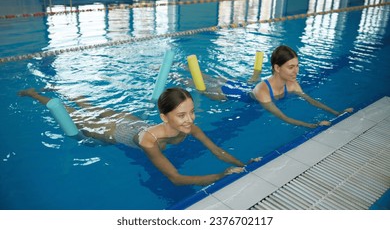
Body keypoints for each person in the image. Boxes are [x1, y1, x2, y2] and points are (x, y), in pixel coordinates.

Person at [19, 87, 257, 186]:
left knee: (92, 107)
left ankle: (69, 91)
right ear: (165, 117)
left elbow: (217, 150)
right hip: (116, 132)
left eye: (192, 112)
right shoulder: (149, 142)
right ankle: (37, 95)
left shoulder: (189, 128)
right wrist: (220, 175)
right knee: (76, 118)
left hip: (132, 120)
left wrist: (243, 165)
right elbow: (174, 177)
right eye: (182, 115)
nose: (190, 119)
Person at [252, 45, 354, 128]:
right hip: (250, 99)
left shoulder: (292, 84)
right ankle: (256, 74)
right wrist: (313, 125)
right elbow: (284, 118)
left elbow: (311, 100)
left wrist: (337, 113)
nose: (296, 71)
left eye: (297, 66)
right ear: (277, 68)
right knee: (253, 81)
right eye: (291, 67)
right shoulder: (262, 91)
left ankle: (256, 73)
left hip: (274, 93)